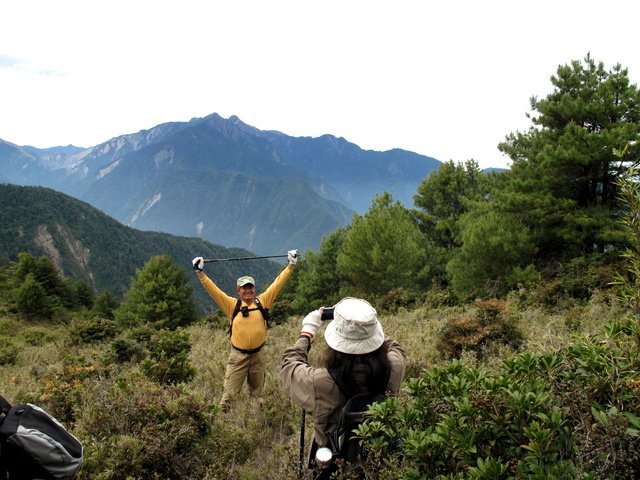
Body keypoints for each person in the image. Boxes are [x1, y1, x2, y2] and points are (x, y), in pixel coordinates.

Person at [280, 297, 406, 475]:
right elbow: (393, 346)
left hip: (334, 469)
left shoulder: (321, 382)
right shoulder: (395, 366)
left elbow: (289, 366)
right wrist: (364, 326)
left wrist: (307, 332)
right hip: (383, 466)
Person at [192, 250, 298, 411]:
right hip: (238, 356)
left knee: (257, 394)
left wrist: (291, 265)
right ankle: (222, 421)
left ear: (254, 288)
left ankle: (254, 420)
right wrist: (200, 273)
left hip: (258, 355)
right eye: (244, 288)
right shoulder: (231, 305)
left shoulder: (263, 301)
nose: (247, 291)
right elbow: (214, 291)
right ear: (238, 290)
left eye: (250, 287)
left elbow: (277, 284)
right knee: (229, 394)